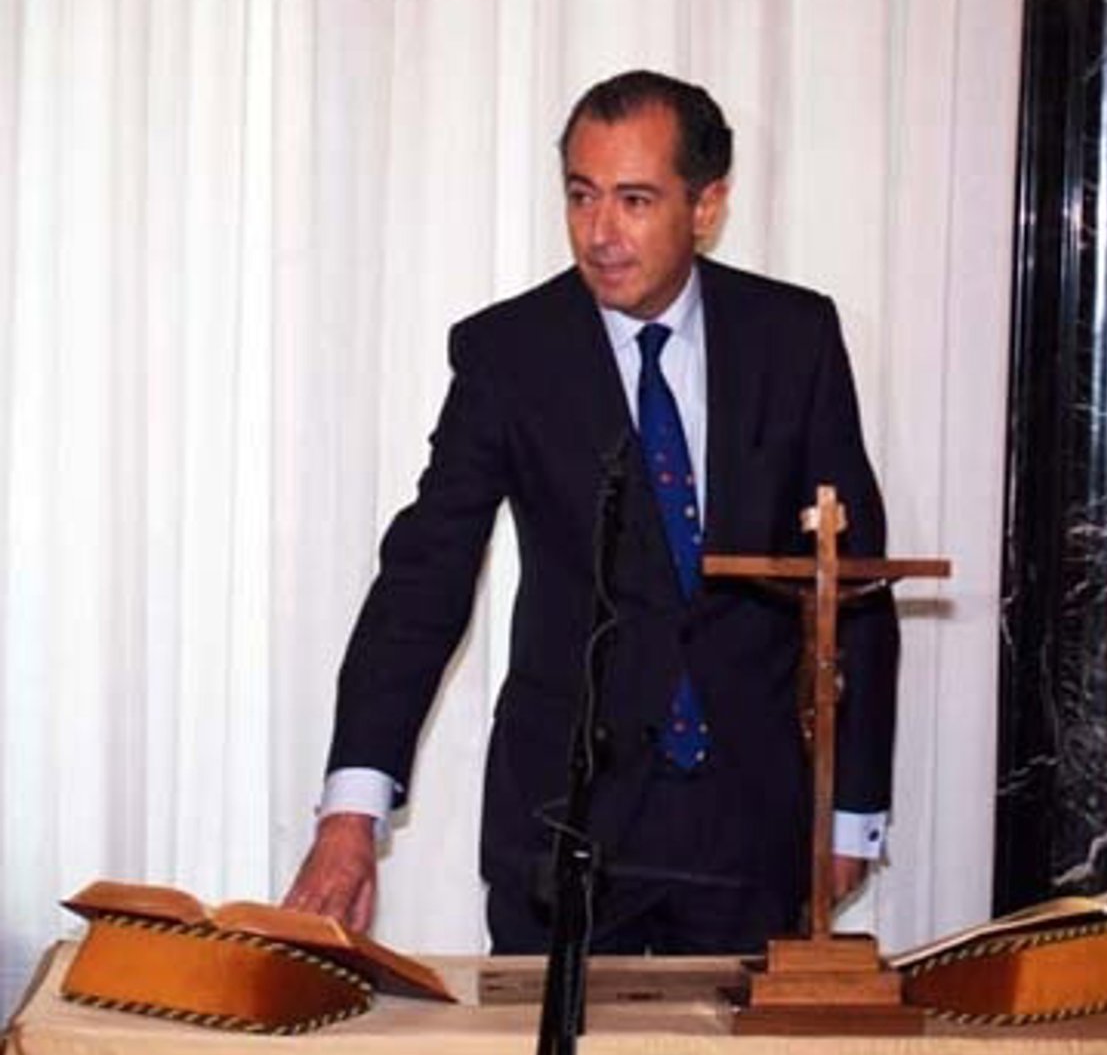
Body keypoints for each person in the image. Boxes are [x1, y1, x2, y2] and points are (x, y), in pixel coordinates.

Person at [285, 70, 898, 954]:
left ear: (707, 204)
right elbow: (424, 578)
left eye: (635, 200)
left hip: (752, 828)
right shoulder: (509, 353)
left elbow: (855, 584)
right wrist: (351, 811)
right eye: (582, 196)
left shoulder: (792, 339)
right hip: (563, 830)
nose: (600, 233)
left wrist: (852, 812)